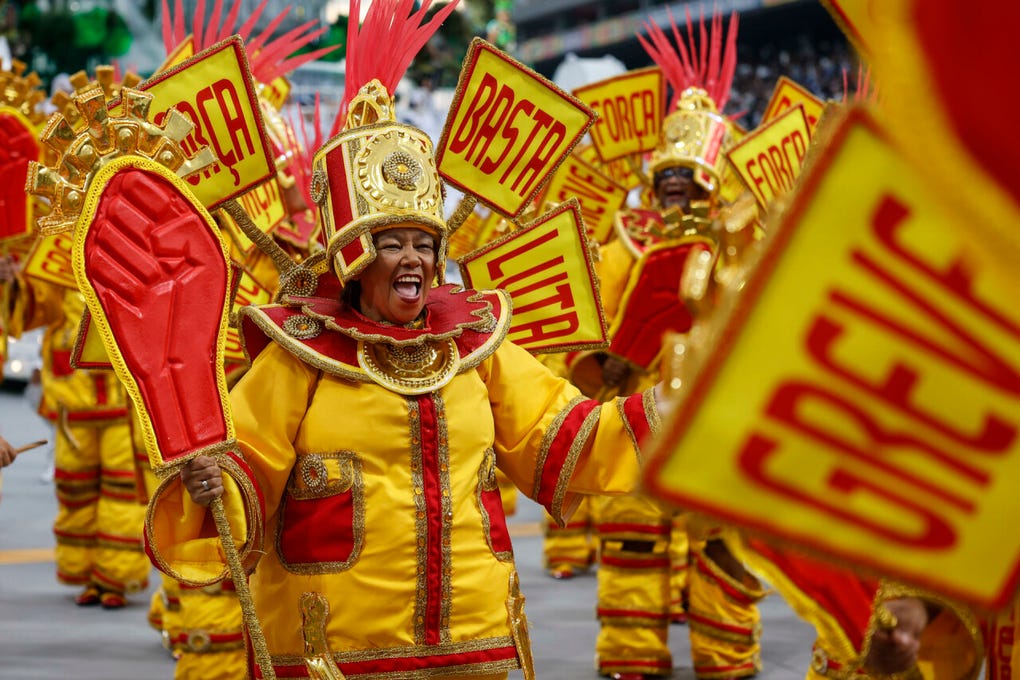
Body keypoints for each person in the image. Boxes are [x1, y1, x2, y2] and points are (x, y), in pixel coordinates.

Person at [129, 1, 674, 677]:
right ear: (355, 255)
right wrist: (216, 481)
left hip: (472, 640)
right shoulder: (301, 355)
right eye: (392, 243)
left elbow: (564, 438)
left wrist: (666, 413)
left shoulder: (476, 347)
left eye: (424, 242)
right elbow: (247, 467)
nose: (412, 258)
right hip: (336, 649)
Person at [567, 11, 766, 680]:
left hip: (716, 423)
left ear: (711, 187)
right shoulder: (626, 244)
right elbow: (589, 329)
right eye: (666, 184)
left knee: (722, 552)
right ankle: (631, 657)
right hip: (639, 421)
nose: (675, 193)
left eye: (687, 184)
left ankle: (726, 658)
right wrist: (609, 361)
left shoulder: (744, 249)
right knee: (632, 544)